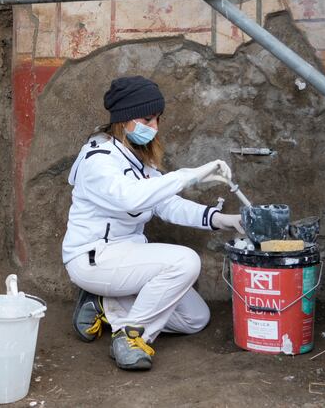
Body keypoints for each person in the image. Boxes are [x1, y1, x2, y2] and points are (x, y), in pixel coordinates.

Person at [62, 75, 244, 371]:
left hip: (127, 259)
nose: (154, 127)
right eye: (147, 118)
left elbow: (165, 203)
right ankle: (130, 336)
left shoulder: (137, 157)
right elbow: (131, 198)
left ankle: (106, 305)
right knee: (184, 262)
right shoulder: (98, 159)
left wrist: (220, 219)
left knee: (194, 319)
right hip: (94, 258)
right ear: (123, 119)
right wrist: (190, 174)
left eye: (158, 118)